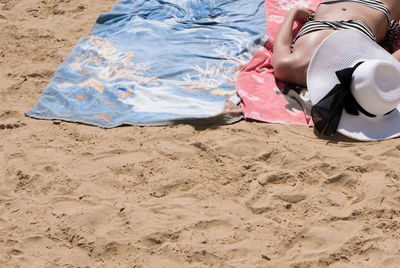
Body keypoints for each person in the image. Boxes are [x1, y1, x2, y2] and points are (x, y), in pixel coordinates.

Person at [272, 0, 400, 87]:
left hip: (332, 4)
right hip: (377, 6)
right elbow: (391, 64)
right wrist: (293, 14)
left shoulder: (286, 67)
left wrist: (293, 13)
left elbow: (282, 43)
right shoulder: (358, 75)